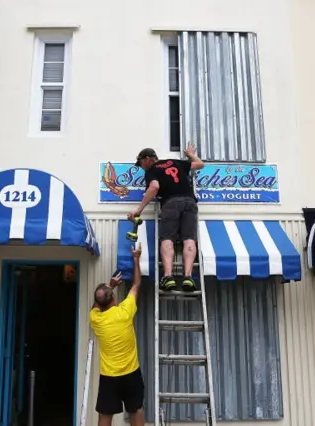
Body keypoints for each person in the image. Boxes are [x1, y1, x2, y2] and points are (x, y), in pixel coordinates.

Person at [128, 143, 204, 292]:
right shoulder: (175, 162)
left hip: (171, 203)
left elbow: (154, 187)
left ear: (148, 159)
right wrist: (190, 154)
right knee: (189, 238)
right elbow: (200, 164)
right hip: (189, 202)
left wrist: (139, 209)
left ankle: (168, 277)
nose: (142, 166)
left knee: (167, 238)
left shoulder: (151, 170)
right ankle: (188, 278)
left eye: (141, 163)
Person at [90, 245, 145, 426]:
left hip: (109, 377)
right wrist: (136, 259)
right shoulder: (124, 312)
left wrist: (109, 286)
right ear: (113, 298)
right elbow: (136, 285)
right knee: (136, 410)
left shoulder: (96, 320)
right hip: (131, 374)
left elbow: (98, 304)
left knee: (105, 416)